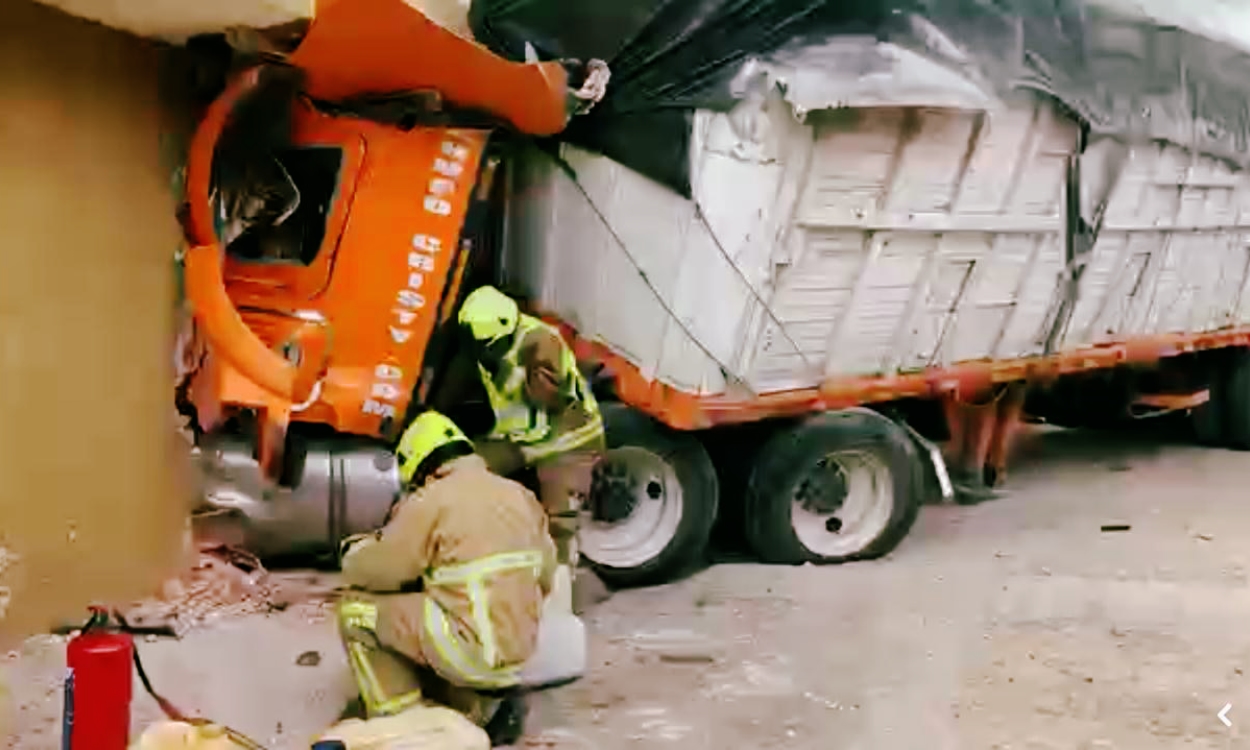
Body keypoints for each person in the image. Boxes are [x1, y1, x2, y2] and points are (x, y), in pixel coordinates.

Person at [335, 410, 557, 746]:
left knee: (354, 611)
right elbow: (546, 576)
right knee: (447, 606)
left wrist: (353, 553)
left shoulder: (431, 499)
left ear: (423, 469)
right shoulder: (519, 495)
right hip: (519, 654)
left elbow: (380, 571)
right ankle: (482, 709)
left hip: (470, 652)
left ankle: (405, 725)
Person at [449, 286, 605, 604]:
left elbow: (547, 398)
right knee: (463, 471)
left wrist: (514, 366)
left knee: (560, 524)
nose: (483, 352)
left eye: (488, 346)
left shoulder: (540, 344)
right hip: (522, 440)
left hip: (567, 443)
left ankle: (558, 599)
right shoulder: (486, 347)